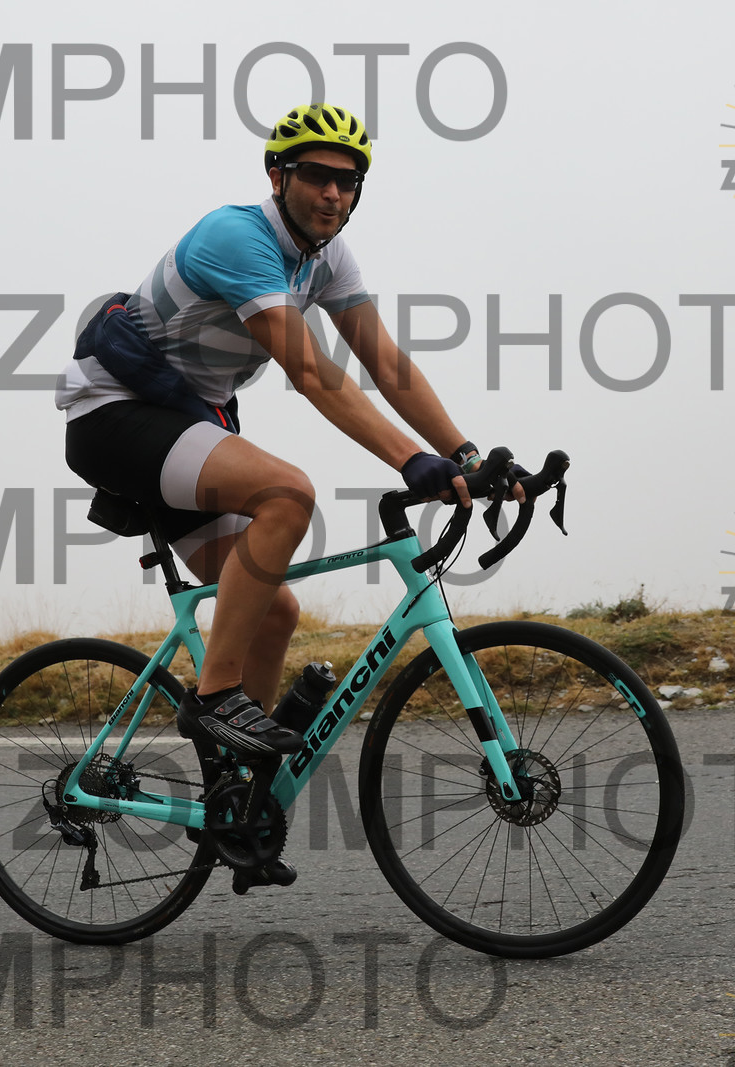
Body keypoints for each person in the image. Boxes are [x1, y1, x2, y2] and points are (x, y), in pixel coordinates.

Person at [58, 103, 501, 763]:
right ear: (277, 177)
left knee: (275, 614)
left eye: (347, 181)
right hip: (112, 415)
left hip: (182, 425)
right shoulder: (236, 237)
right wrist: (411, 459)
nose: (332, 193)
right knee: (287, 494)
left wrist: (465, 455)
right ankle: (214, 699)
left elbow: (385, 363)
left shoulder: (329, 258)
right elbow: (312, 371)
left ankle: (239, 790)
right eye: (317, 175)